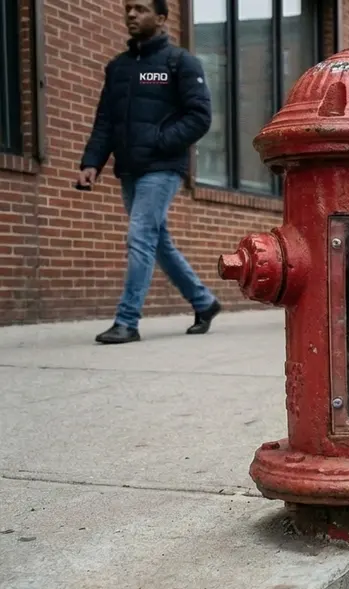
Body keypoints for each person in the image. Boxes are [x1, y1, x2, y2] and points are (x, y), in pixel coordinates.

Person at [79, 0, 219, 345]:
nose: (130, 14)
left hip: (163, 166)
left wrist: (160, 140)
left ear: (160, 17)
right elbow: (105, 122)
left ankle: (127, 321)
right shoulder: (119, 68)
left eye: (140, 9)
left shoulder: (179, 63)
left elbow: (199, 115)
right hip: (129, 167)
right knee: (157, 242)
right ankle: (204, 301)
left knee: (140, 235)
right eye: (128, 8)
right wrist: (91, 163)